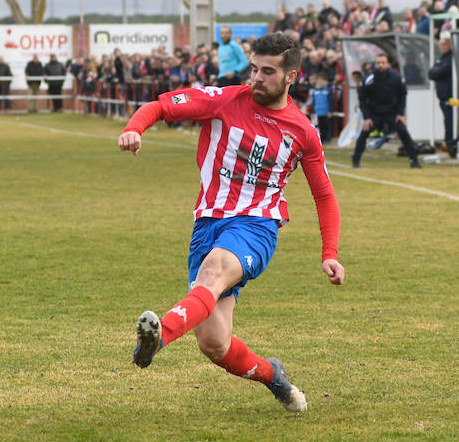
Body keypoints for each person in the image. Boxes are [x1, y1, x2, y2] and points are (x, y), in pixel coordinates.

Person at [118, 32, 345, 414]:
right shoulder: (224, 100)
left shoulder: (302, 131)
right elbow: (163, 105)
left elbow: (324, 194)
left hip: (256, 226)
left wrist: (330, 252)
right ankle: (274, 376)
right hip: (208, 224)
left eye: (268, 72)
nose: (257, 78)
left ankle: (158, 339)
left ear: (292, 76)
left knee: (215, 269)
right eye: (254, 68)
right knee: (214, 344)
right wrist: (134, 128)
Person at [352, 54, 421, 168]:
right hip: (374, 114)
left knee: (403, 132)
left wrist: (400, 113)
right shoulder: (368, 79)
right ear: (375, 64)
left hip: (392, 113)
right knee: (363, 134)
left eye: (383, 63)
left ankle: (414, 160)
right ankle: (355, 160)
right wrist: (367, 117)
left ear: (388, 64)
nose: (380, 65)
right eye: (378, 63)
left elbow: (402, 96)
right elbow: (362, 99)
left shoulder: (397, 78)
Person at [428, 36, 457, 158]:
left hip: (451, 97)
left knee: (451, 121)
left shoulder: (451, 58)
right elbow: (431, 73)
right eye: (441, 44)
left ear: (450, 45)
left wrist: (436, 72)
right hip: (442, 96)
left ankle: (451, 144)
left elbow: (438, 72)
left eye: (445, 44)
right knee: (447, 120)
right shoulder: (441, 58)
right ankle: (449, 143)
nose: (443, 47)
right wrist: (436, 72)